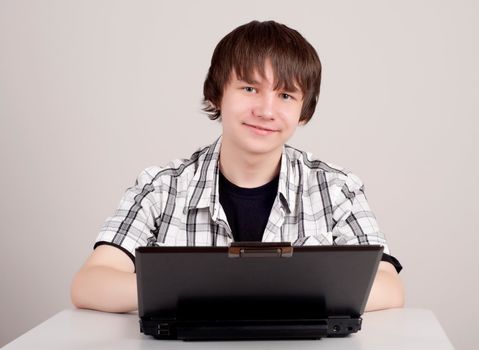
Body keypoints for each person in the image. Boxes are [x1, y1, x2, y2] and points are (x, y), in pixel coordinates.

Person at [71, 20, 404, 313]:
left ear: (304, 110)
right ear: (217, 94)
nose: (266, 110)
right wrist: (216, 291)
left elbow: (389, 286)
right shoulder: (161, 187)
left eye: (286, 95)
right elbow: (90, 284)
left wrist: (255, 292)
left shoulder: (336, 188)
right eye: (249, 89)